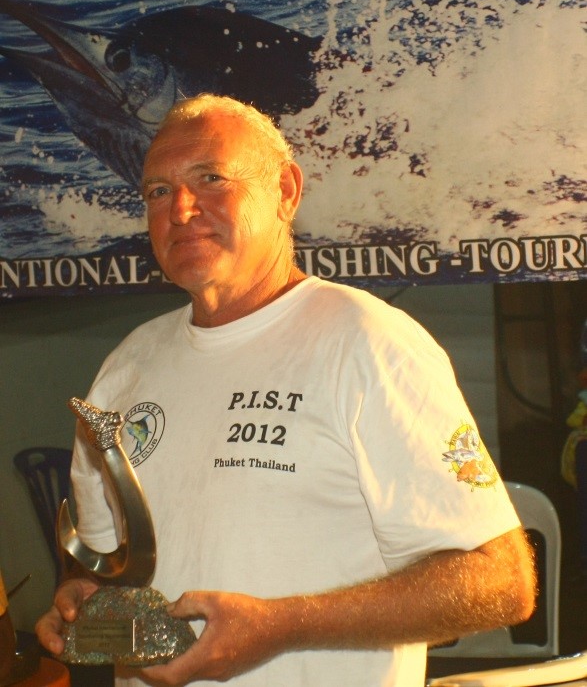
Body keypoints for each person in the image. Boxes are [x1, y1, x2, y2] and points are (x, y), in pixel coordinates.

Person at [36, 93, 536, 687]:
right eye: (158, 191)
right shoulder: (126, 367)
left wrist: (279, 626)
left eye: (211, 178)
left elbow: (501, 581)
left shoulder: (368, 343)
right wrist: (83, 600)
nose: (181, 209)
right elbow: (103, 564)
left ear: (285, 191)